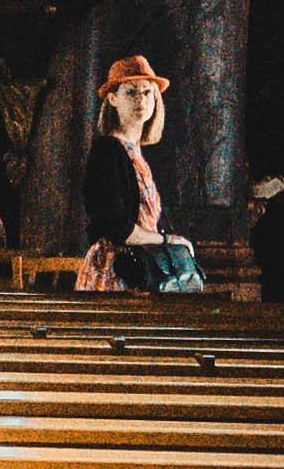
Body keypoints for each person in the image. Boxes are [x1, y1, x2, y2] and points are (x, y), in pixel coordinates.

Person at [80, 53, 203, 292]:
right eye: (131, 92)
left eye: (147, 92)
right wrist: (169, 240)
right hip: (116, 268)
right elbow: (118, 228)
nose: (141, 100)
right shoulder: (106, 151)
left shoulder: (136, 152)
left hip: (144, 264)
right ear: (113, 99)